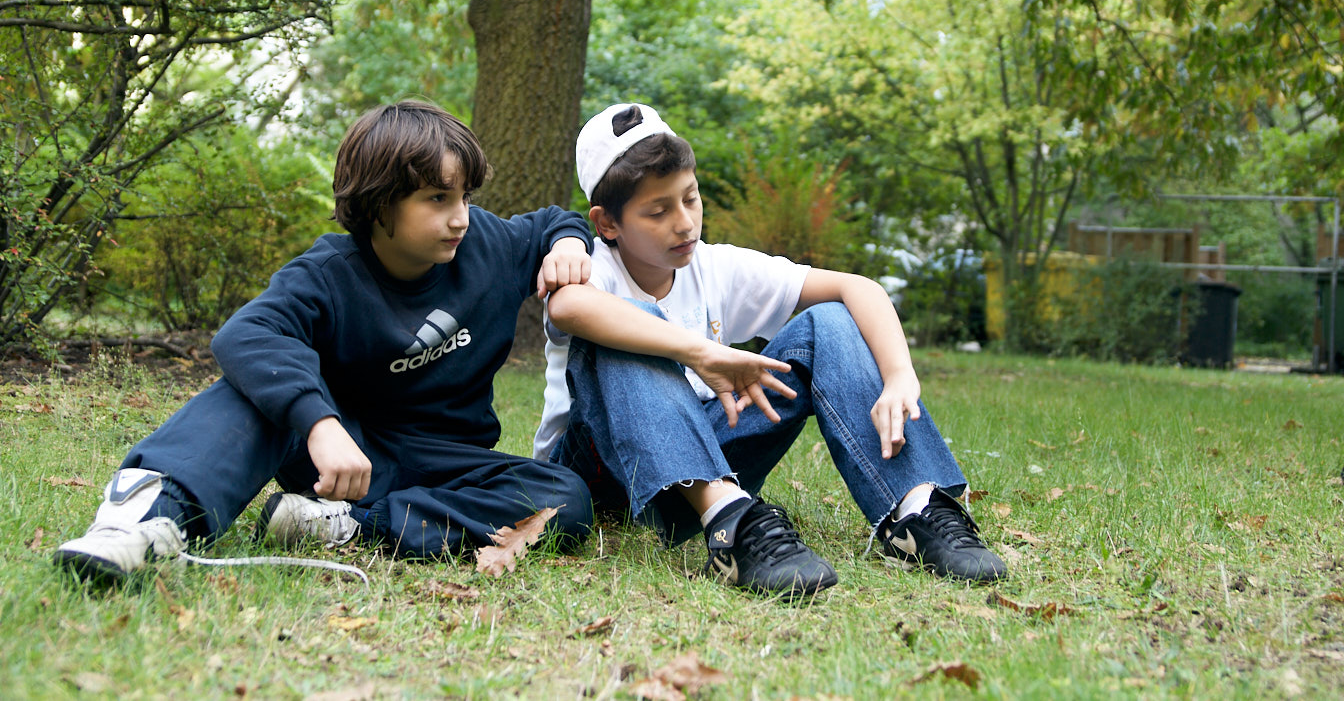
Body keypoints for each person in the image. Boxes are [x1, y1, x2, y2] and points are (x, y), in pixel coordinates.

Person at [55, 100, 595, 581]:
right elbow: (248, 333)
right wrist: (320, 423)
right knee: (252, 392)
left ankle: (343, 527)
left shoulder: (486, 242)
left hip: (445, 459)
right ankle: (143, 521)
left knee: (561, 499)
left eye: (464, 196)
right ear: (380, 202)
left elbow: (553, 221)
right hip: (339, 459)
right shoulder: (329, 273)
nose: (459, 218)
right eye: (436, 198)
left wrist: (568, 243)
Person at [533, 103, 1005, 599]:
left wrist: (899, 377)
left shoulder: (715, 266)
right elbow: (567, 307)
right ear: (607, 223)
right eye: (658, 211)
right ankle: (730, 525)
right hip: (602, 477)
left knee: (829, 320)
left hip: (703, 459)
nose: (684, 222)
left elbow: (857, 288)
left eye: (691, 199)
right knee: (626, 324)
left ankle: (913, 509)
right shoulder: (592, 264)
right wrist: (699, 352)